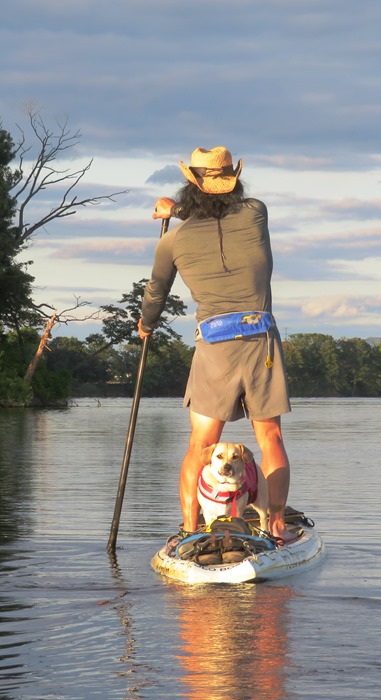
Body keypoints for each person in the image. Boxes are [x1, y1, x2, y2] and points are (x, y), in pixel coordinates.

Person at [139, 146, 295, 542]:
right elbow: (225, 212)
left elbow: (155, 295)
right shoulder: (257, 212)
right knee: (270, 439)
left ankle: (190, 531)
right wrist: (175, 209)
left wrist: (146, 325)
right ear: (234, 180)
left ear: (191, 186)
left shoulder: (172, 243)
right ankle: (274, 527)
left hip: (214, 348)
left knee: (201, 444)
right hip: (260, 343)